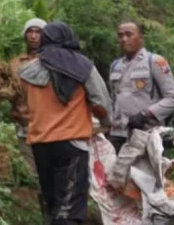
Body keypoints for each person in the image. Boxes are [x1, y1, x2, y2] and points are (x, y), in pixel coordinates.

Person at [19, 22, 112, 225]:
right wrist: (106, 123)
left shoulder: (27, 71)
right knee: (68, 210)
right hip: (71, 145)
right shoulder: (83, 66)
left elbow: (27, 105)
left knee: (53, 204)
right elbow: (100, 102)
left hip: (40, 144)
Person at [108, 21, 174, 154]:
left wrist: (145, 114)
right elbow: (113, 100)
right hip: (118, 133)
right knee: (114, 173)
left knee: (146, 175)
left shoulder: (154, 61)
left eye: (129, 34)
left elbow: (173, 99)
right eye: (120, 35)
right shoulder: (115, 66)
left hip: (147, 133)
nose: (124, 39)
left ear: (141, 38)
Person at [8, 18, 47, 177]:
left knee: (47, 166)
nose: (33, 36)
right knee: (29, 169)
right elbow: (9, 90)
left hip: (46, 124)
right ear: (25, 35)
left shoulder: (50, 61)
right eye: (30, 31)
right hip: (22, 121)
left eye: (38, 32)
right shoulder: (15, 63)